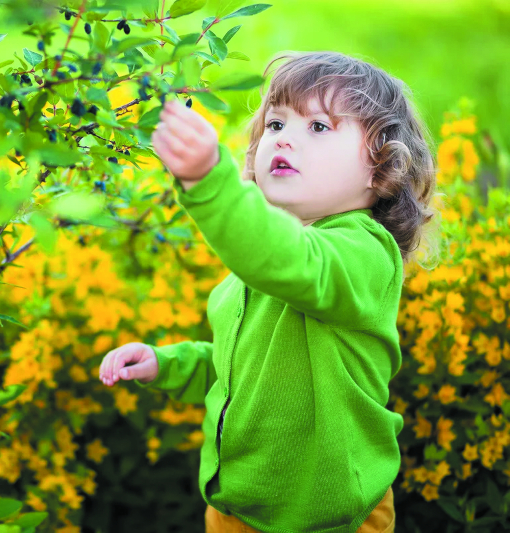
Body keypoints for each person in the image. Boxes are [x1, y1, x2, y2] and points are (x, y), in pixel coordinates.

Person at [98, 51, 443, 532]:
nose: (284, 139)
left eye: (318, 127)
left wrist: (207, 181)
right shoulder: (261, 261)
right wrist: (169, 364)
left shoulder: (363, 254)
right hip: (234, 509)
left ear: (380, 167)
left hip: (325, 518)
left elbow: (289, 262)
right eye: (276, 124)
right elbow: (243, 370)